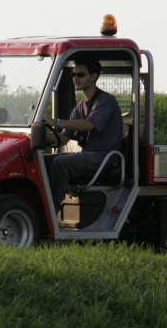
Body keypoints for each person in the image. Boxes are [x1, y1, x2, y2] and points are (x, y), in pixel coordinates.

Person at [42, 57, 123, 213]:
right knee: (41, 161)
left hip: (105, 156)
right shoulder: (80, 105)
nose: (75, 79)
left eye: (80, 75)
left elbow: (89, 125)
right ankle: (37, 209)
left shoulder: (106, 101)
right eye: (73, 75)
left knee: (61, 163)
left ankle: (51, 214)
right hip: (88, 155)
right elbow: (64, 139)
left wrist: (56, 122)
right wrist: (38, 135)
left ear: (94, 77)